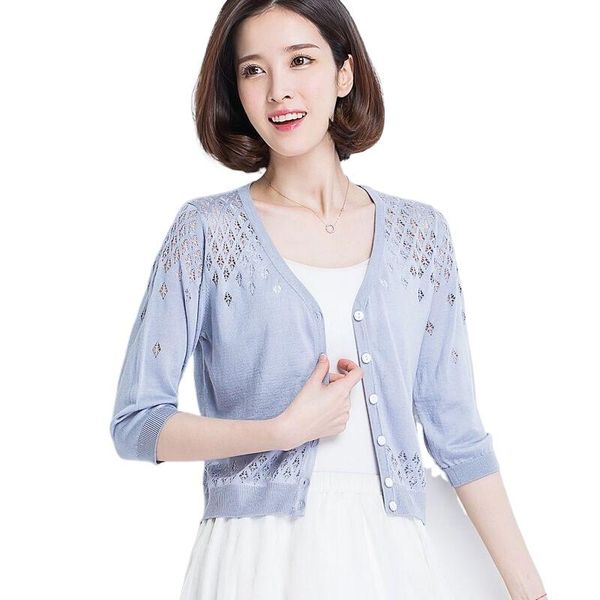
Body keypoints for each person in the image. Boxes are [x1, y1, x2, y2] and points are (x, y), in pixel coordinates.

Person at [109, 1, 547, 598]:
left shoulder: (421, 236)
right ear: (236, 90)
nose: (279, 91)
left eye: (300, 60)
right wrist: (279, 431)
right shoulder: (206, 232)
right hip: (256, 560)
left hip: (392, 558)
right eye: (254, 70)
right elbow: (136, 423)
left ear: (345, 74)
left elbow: (460, 437)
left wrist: (531, 589)